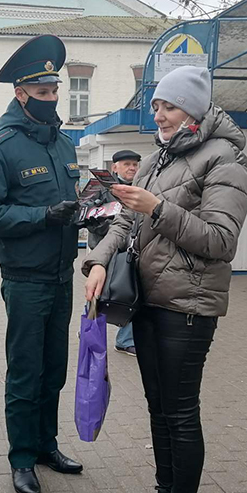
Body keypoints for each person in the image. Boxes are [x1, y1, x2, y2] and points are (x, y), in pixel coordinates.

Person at [83, 66, 247, 493]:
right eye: (156, 106)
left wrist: (158, 207)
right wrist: (98, 260)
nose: (159, 115)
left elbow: (220, 242)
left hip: (189, 307)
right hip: (151, 301)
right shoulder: (161, 156)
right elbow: (127, 220)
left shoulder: (227, 159)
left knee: (180, 415)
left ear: (194, 111)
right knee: (160, 412)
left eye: (170, 107)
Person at [0, 34, 83, 493]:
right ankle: (21, 459)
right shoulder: (1, 148)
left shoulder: (64, 144)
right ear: (21, 94)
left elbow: (71, 203)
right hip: (26, 279)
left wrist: (90, 210)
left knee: (54, 369)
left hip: (62, 276)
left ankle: (46, 446)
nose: (52, 99)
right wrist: (43, 216)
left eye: (55, 90)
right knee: (24, 373)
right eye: (42, 93)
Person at [109, 150, 141, 357]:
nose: (132, 168)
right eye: (127, 164)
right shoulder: (104, 188)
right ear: (115, 167)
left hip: (132, 251)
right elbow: (87, 215)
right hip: (107, 250)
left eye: (135, 164)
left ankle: (125, 339)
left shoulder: (141, 187)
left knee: (131, 292)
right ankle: (89, 329)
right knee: (99, 294)